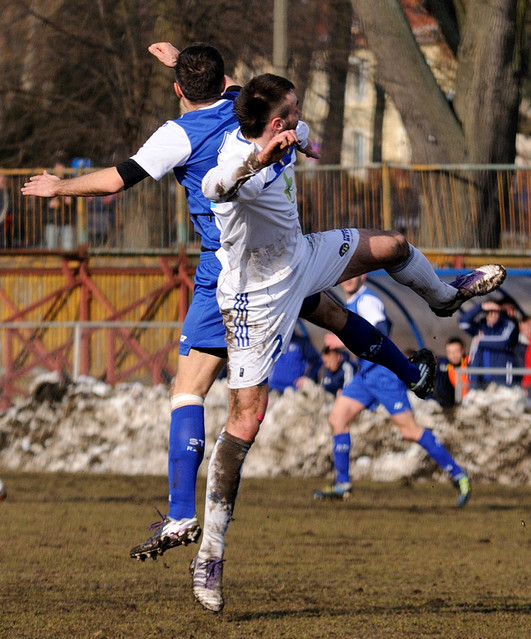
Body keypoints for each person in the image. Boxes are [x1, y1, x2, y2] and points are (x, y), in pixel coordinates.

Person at [21, 45, 437, 567]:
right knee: (332, 313)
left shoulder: (178, 134)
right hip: (281, 250)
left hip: (231, 270)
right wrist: (183, 63)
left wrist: (60, 185)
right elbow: (235, 89)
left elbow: (115, 179)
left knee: (189, 390)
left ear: (178, 90)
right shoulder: (244, 103)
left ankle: (180, 514)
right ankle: (413, 373)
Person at [193, 73, 505, 611]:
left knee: (392, 245)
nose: (300, 116)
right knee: (245, 419)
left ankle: (442, 298)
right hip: (254, 296)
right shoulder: (236, 161)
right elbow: (213, 187)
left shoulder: (283, 128)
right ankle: (211, 555)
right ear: (273, 125)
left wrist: (300, 142)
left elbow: (259, 103)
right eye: (292, 112)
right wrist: (259, 160)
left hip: (301, 256)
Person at [312, 275, 471, 507]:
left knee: (410, 431)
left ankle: (459, 475)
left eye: (354, 275)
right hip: (365, 375)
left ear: (363, 276)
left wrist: (342, 342)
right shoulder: (350, 303)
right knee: (337, 418)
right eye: (345, 276)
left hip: (383, 375)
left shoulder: (368, 301)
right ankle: (342, 484)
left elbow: (380, 333)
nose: (348, 280)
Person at [458, 298, 519, 388]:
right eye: (489, 311)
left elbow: (503, 341)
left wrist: (480, 340)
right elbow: (463, 322)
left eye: (496, 312)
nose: (493, 314)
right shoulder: (480, 327)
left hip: (502, 380)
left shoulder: (508, 325)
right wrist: (481, 307)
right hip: (479, 379)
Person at [268, 321, 321, 392]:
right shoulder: (273, 342)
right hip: (273, 388)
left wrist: (308, 377)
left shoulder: (302, 343)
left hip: (293, 391)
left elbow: (317, 360)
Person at [434, 336, 469, 407]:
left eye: (456, 351)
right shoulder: (446, 366)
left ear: (463, 351)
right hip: (455, 405)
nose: (453, 355)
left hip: (471, 402)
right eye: (449, 352)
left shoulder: (470, 364)